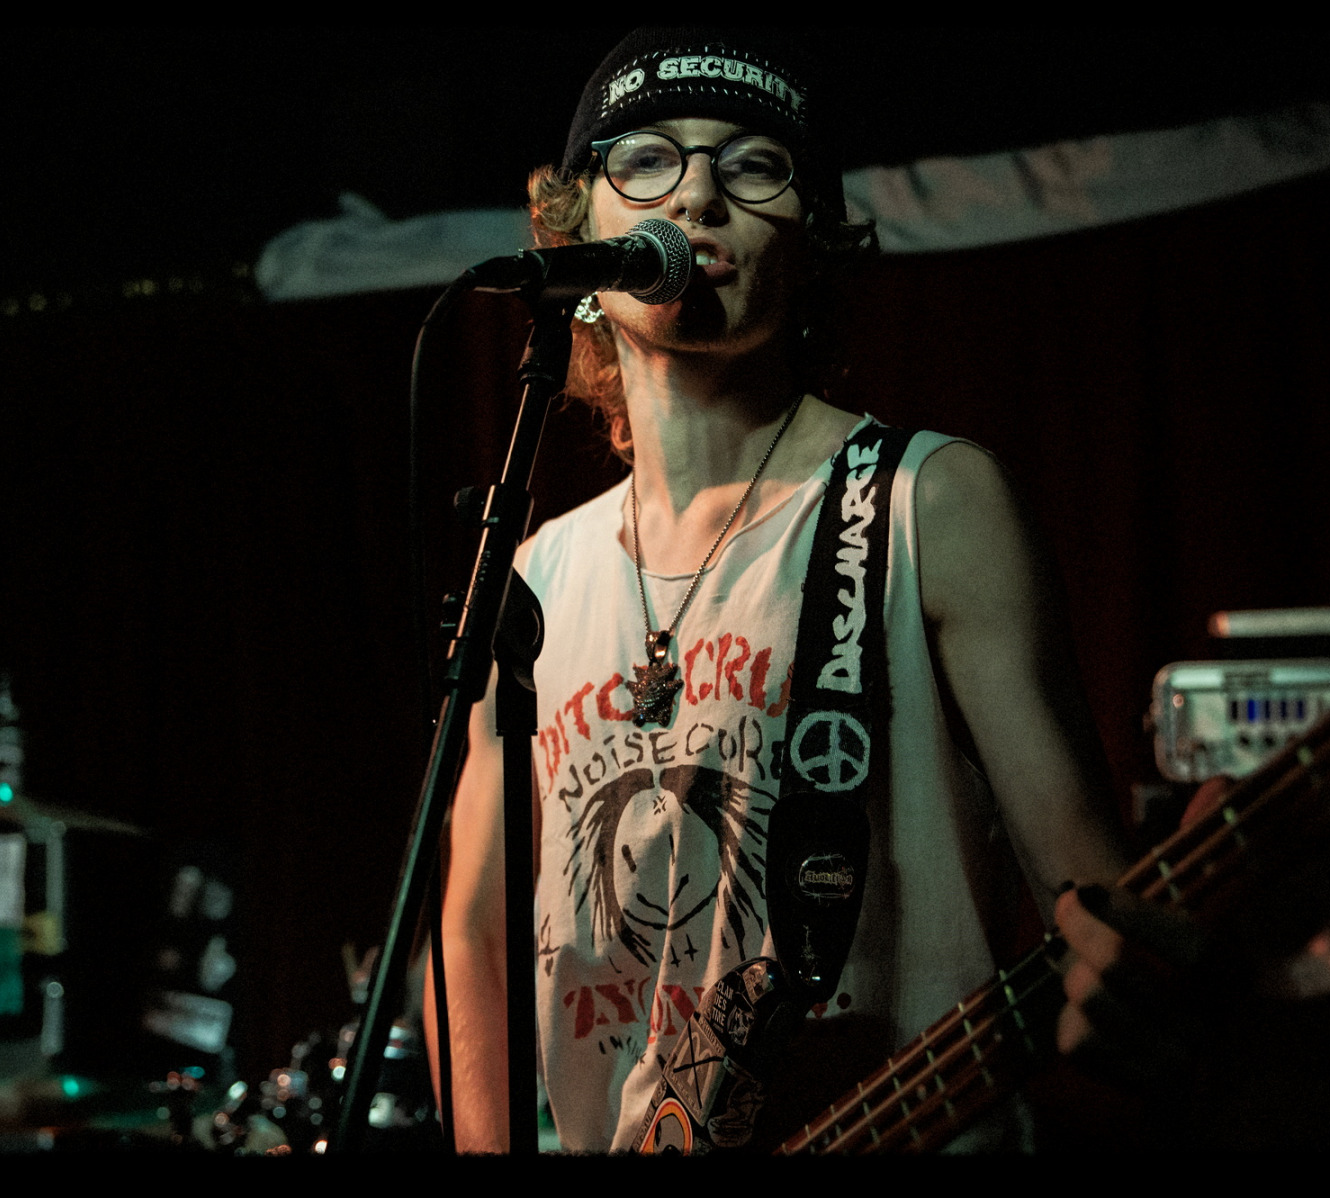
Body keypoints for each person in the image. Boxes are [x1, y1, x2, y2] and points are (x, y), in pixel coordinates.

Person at [434, 28, 1139, 1153]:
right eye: (648, 159)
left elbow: (1096, 906)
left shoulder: (927, 503)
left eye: (754, 165)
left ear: (811, 240)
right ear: (579, 239)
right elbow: (470, 929)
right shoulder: (537, 575)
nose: (698, 196)